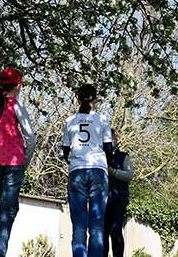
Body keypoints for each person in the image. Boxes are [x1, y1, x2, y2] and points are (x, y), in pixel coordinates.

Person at [0, 67, 36, 257]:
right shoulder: (16, 105)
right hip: (13, 163)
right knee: (8, 213)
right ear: (18, 85)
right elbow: (31, 138)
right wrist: (24, 162)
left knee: (6, 206)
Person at [62, 84, 114, 257]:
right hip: (98, 169)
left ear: (77, 98)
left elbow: (65, 151)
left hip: (77, 170)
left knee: (79, 225)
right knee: (97, 225)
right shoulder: (102, 119)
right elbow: (108, 148)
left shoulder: (70, 121)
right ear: (95, 99)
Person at [104, 129, 133, 257]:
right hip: (104, 200)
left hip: (119, 199)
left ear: (117, 140)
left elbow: (129, 175)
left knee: (115, 231)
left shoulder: (124, 157)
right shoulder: (101, 156)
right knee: (103, 232)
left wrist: (113, 172)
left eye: (112, 139)